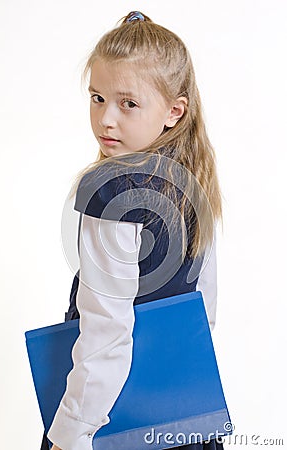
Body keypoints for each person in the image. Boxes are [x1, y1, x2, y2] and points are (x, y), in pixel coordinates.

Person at [44, 10, 223, 450]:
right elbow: (203, 312)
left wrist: (71, 432)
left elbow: (106, 333)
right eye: (97, 97)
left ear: (173, 111)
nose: (106, 119)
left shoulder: (111, 193)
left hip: (111, 420)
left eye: (128, 103)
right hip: (180, 413)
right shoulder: (192, 178)